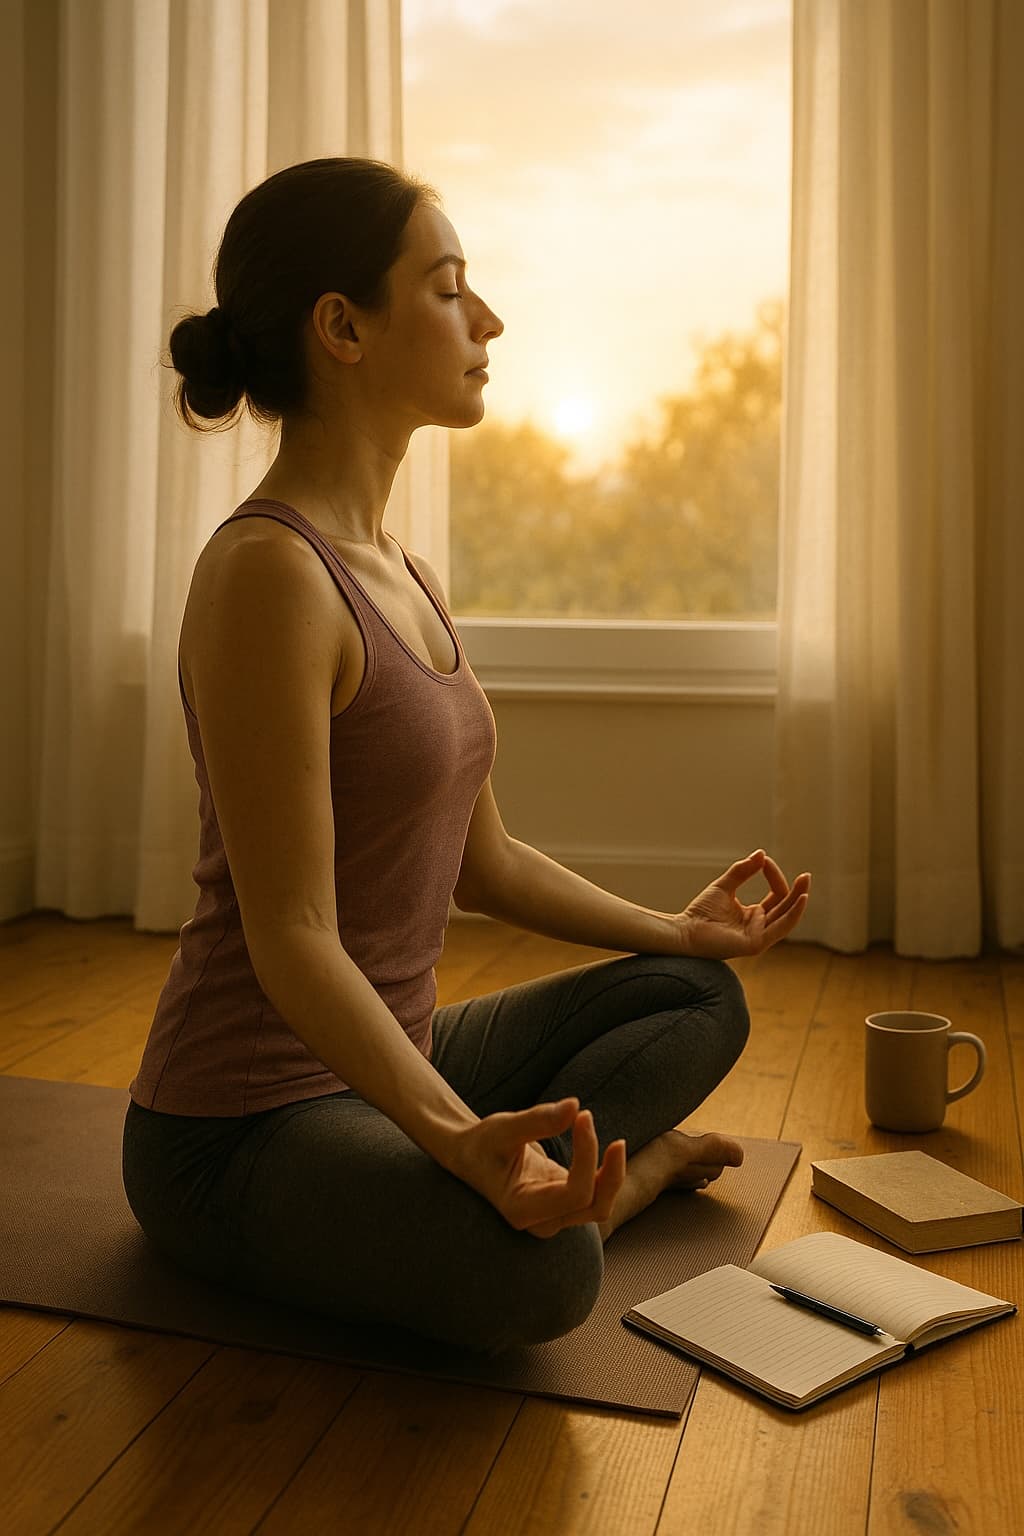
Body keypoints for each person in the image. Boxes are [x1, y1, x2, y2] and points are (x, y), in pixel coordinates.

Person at [122, 156, 811, 1358]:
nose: (487, 320)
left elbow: (483, 864)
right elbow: (289, 935)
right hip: (236, 1126)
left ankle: (522, 1170)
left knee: (697, 997)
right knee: (545, 1278)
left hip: (401, 1050)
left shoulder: (405, 570)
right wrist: (452, 1140)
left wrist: (676, 929)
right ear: (342, 327)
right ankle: (614, 1185)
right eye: (448, 290)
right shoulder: (268, 580)